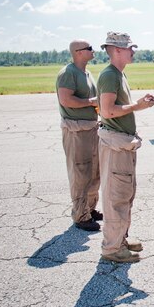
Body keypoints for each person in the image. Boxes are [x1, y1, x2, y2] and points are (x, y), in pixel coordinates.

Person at [97, 32, 154, 264]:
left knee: (125, 194)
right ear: (116, 50)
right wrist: (138, 105)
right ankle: (112, 248)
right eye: (129, 48)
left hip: (122, 142)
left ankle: (120, 239)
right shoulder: (110, 76)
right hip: (116, 143)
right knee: (116, 196)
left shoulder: (118, 75)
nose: (133, 51)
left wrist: (140, 105)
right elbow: (108, 111)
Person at [56, 40, 101, 232]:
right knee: (80, 174)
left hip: (91, 128)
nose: (93, 51)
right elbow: (66, 100)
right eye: (89, 48)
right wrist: (90, 102)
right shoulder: (68, 73)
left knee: (94, 173)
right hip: (76, 130)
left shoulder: (87, 73)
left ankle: (90, 209)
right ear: (78, 52)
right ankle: (81, 215)